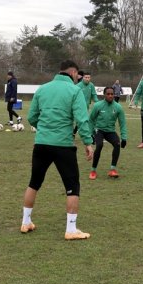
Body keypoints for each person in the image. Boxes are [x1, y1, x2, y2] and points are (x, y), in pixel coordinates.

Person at [20, 60, 95, 240]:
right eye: (78, 75)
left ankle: (25, 222)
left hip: (41, 144)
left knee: (34, 183)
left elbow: (31, 117)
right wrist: (87, 142)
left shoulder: (43, 89)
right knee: (72, 186)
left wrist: (45, 129)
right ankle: (71, 229)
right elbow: (82, 119)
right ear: (73, 72)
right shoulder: (75, 91)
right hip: (63, 146)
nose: (78, 78)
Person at [88, 86, 128, 179]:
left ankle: (112, 169)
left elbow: (122, 123)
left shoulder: (118, 107)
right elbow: (91, 120)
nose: (110, 96)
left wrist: (124, 137)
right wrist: (90, 134)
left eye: (112, 94)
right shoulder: (98, 105)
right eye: (108, 94)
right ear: (104, 95)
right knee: (99, 145)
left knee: (117, 144)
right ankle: (93, 170)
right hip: (99, 130)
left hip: (110, 131)